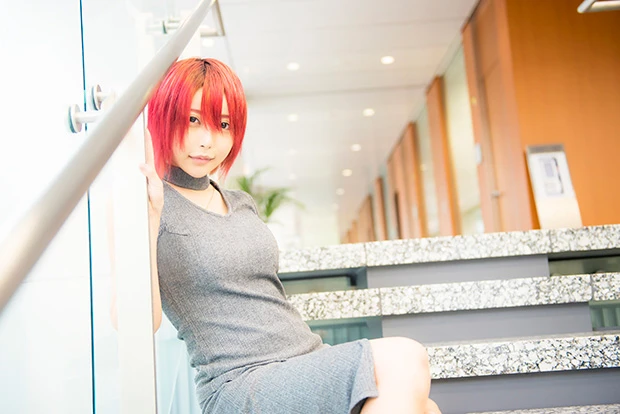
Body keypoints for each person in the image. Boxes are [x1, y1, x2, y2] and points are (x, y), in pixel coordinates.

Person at [138, 57, 441, 414]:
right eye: (193, 120)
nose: (207, 141)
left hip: (303, 358)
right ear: (164, 116)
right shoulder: (153, 203)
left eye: (223, 124)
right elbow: (136, 321)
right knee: (404, 356)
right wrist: (150, 215)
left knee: (427, 407)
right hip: (241, 381)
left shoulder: (240, 202)